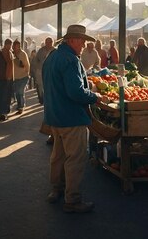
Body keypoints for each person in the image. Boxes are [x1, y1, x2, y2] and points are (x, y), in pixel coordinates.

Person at [43, 24, 108, 213]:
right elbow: (75, 92)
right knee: (75, 158)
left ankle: (56, 190)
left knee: (58, 156)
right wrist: (95, 96)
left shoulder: (52, 56)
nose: (83, 45)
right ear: (72, 40)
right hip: (71, 117)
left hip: (54, 115)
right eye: (82, 41)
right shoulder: (70, 60)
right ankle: (72, 199)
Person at [12, 40, 30, 115]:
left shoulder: (23, 54)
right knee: (17, 93)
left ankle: (21, 107)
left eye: (17, 46)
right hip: (15, 77)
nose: (16, 48)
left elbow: (26, 65)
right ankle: (19, 105)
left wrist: (27, 72)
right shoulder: (11, 54)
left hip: (23, 76)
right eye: (15, 46)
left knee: (20, 91)